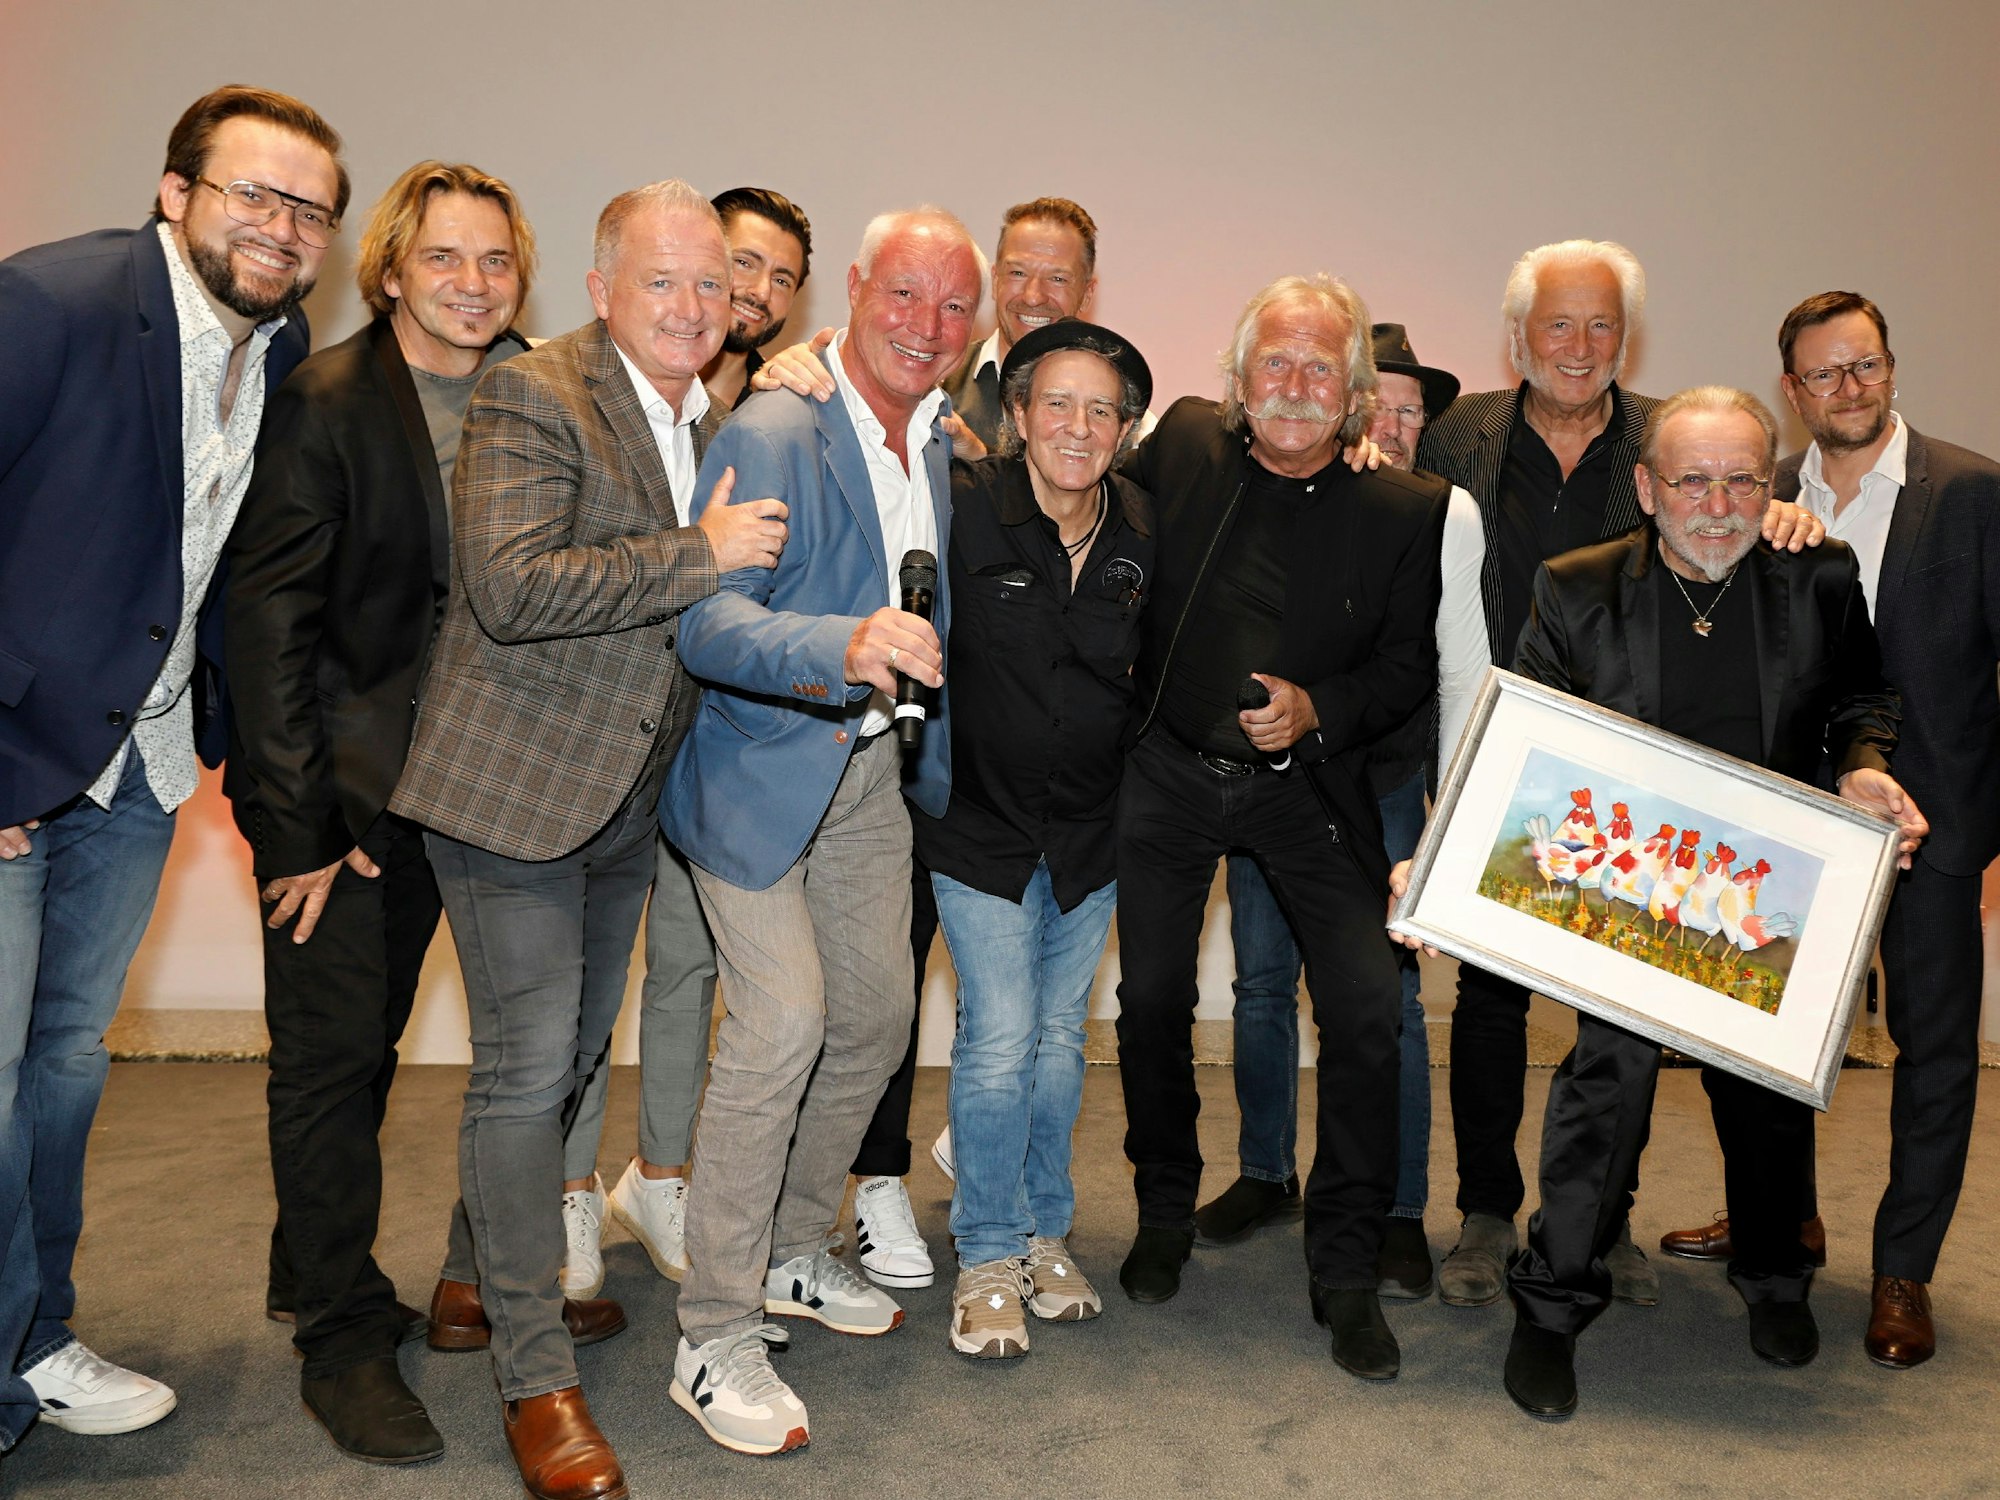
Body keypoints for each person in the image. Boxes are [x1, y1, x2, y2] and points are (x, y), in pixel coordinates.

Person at [1411, 385, 1924, 1419]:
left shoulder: (1818, 576)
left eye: (1741, 478)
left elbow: (1862, 700)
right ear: (1645, 488)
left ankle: (1774, 1281)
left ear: (1765, 483)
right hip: (1625, 904)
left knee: (1769, 1106)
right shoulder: (1573, 588)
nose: (1718, 503)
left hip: (1759, 902)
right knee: (1599, 1098)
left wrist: (1864, 767)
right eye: (1691, 479)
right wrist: (1442, 849)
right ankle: (1550, 1307)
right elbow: (1522, 748)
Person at [387, 179, 787, 1500]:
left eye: (711, 284)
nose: (690, 305)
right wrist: (696, 552)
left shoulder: (717, 416)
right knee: (523, 1075)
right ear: (605, 287)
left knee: (559, 1063)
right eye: (661, 281)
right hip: (511, 792)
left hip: (624, 797)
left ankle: (468, 1281)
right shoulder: (536, 393)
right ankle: (533, 1374)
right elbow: (509, 589)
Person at [0, 83, 345, 1452]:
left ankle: (36, 1334)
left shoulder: (281, 343)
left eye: (308, 207)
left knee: (64, 1074)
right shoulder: (55, 304)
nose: (279, 226)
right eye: (254, 193)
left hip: (139, 771)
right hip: (15, 764)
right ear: (175, 189)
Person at [1415, 240, 1823, 1307]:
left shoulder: (1670, 442)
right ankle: (1484, 1211)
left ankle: (1606, 1221)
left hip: (1627, 784)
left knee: (1625, 1013)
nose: (1578, 346)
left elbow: (1728, 518)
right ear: (1518, 336)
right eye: (1557, 323)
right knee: (1491, 1001)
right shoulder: (1458, 434)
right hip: (1492, 749)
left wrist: (1775, 508)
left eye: (1600, 325)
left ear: (1623, 339)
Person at [223, 160, 534, 1464]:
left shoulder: (535, 392)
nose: (473, 285)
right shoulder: (330, 403)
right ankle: (343, 1340)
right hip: (346, 810)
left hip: (480, 798)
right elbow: (269, 624)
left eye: (496, 261)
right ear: (393, 270)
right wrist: (293, 829)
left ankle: (312, 1270)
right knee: (332, 1060)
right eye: (447, 260)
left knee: (377, 1051)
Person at [660, 207, 980, 1455]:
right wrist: (837, 648)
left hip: (867, 778)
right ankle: (713, 1329)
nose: (927, 326)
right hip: (751, 772)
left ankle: (796, 1245)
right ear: (853, 291)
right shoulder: (776, 423)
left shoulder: (947, 439)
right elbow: (703, 622)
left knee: (880, 1019)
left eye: (954, 308)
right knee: (782, 1020)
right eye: (903, 296)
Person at [1112, 273, 1447, 1383]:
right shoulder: (1181, 448)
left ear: (1354, 396)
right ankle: (1163, 1205)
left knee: (1364, 1007)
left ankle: (1344, 1266)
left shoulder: (1406, 509)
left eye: (1320, 370)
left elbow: (1407, 668)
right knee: (1152, 998)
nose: (1294, 387)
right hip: (1166, 772)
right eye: (1275, 364)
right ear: (1237, 380)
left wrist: (1319, 709)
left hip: (1307, 788)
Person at [1658, 293, 2000, 1370]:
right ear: (1790, 390)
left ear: (1888, 369)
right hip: (1788, 823)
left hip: (1931, 829)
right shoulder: (1759, 498)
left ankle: (1903, 1269)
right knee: (1760, 1044)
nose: (1846, 389)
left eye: (1865, 367)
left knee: (1934, 1052)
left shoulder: (1974, 493)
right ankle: (1781, 1225)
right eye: (1822, 374)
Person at [556, 186, 810, 1308]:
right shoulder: (612, 388)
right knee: (582, 984)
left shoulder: (756, 409)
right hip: (590, 735)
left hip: (702, 742)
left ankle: (658, 1176)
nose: (749, 293)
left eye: (774, 279)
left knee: (689, 968)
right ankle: (566, 1192)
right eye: (732, 267)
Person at [1200, 324, 1487, 1301]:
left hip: (1387, 793)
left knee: (1388, 1005)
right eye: (1387, 403)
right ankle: (1263, 1173)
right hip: (1271, 781)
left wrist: (1451, 815)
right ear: (1353, 407)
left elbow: (1459, 671)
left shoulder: (1439, 514)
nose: (1400, 423)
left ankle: (1398, 1208)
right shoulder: (1287, 493)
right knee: (1259, 986)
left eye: (1416, 409)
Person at [914, 320, 1156, 1359]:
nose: (1077, 425)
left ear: (1124, 429)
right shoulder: (962, 508)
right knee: (1000, 1040)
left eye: (1101, 409)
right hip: (980, 830)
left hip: (1090, 839)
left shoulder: (1144, 528)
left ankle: (1042, 1231)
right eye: (1055, 403)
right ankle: (984, 1254)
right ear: (1014, 415)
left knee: (1061, 1046)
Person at [697, 187, 813, 410]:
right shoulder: (623, 367)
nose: (762, 292)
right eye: (744, 263)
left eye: (781, 281)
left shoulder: (785, 414)